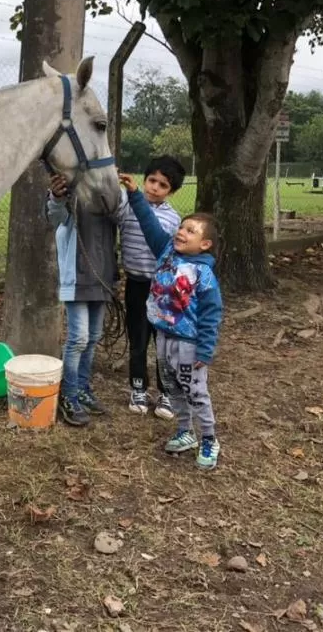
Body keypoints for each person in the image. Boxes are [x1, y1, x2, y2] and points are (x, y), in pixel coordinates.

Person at [120, 172, 224, 469]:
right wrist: (135, 194)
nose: (181, 232)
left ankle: (209, 438)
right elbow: (148, 223)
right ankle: (184, 431)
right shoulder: (166, 251)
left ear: (204, 244)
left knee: (195, 391)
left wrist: (205, 349)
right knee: (174, 388)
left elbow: (211, 315)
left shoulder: (204, 275)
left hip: (188, 344)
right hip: (164, 337)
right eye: (181, 227)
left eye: (191, 231)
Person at [45, 173, 119, 426]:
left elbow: (124, 218)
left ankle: (82, 388)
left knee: (93, 336)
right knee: (78, 338)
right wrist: (56, 196)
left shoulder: (109, 200)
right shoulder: (73, 197)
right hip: (76, 280)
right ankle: (69, 394)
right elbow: (55, 216)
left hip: (102, 279)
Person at [118, 156, 185, 419]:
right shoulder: (126, 207)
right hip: (135, 285)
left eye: (163, 185)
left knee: (164, 344)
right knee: (138, 340)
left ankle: (167, 392)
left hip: (163, 291)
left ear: (172, 191)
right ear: (144, 180)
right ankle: (138, 388)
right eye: (152, 180)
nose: (155, 187)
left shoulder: (173, 219)